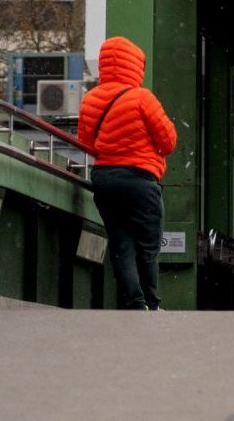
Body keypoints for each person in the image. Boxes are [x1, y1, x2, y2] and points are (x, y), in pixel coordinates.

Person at [76, 35, 178, 309]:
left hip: (105, 179)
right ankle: (153, 303)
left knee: (121, 243)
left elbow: (86, 143)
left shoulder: (90, 99)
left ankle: (135, 302)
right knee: (148, 245)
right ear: (134, 65)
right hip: (140, 180)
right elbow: (168, 142)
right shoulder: (143, 98)